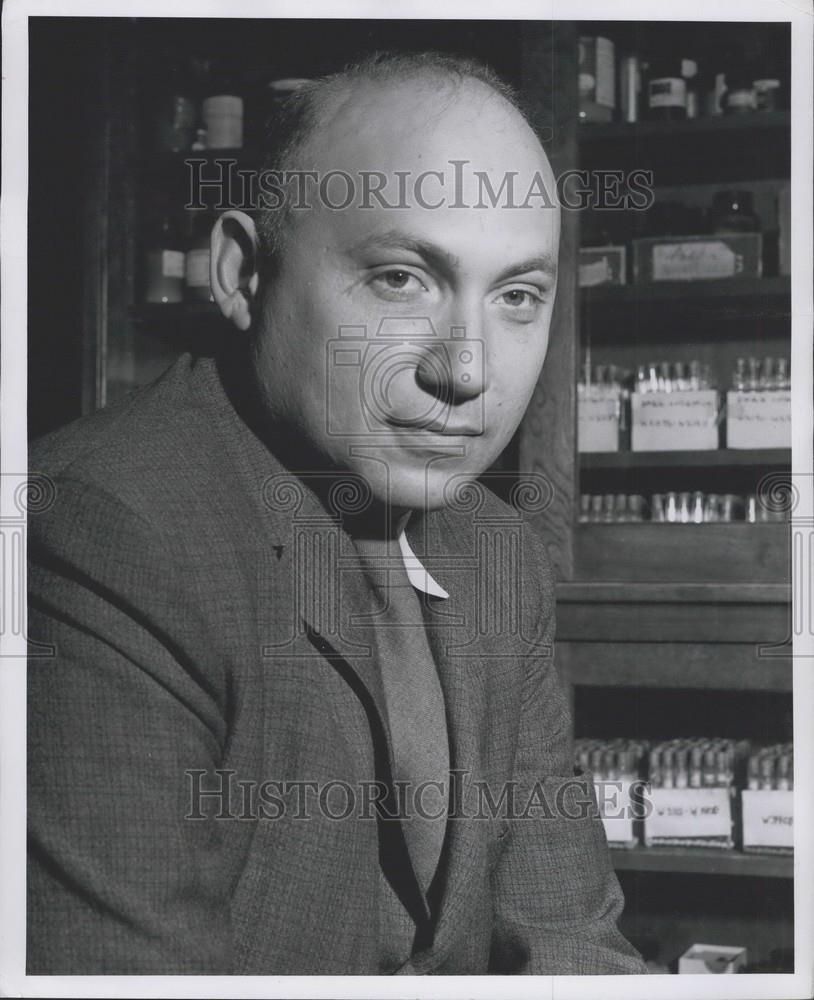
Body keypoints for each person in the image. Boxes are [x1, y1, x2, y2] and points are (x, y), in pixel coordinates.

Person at [27, 52, 646, 975]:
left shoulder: (494, 548)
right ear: (241, 273)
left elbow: (569, 941)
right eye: (402, 279)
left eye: (517, 297)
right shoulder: (106, 532)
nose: (466, 369)